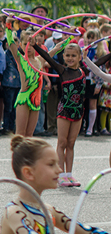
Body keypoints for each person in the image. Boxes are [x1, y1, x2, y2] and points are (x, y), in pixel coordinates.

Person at [33, 40, 87, 187]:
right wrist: (34, 45)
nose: (70, 58)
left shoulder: (83, 71)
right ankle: (60, 174)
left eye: (73, 56)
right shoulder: (62, 70)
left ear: (80, 57)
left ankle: (69, 174)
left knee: (71, 144)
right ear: (63, 56)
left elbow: (101, 62)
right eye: (67, 55)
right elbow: (47, 58)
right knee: (62, 142)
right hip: (64, 110)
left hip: (78, 111)